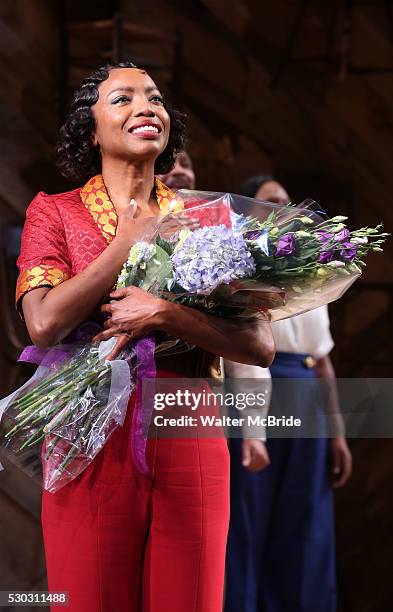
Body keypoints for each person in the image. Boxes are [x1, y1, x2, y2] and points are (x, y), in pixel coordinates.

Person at [15, 64, 275, 612]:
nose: (145, 107)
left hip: (189, 421)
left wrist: (164, 313)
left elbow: (260, 346)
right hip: (85, 430)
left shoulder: (211, 219)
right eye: (123, 98)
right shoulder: (54, 212)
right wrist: (125, 245)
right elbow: (42, 323)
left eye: (155, 98)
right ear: (91, 130)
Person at [225, 176, 353, 612]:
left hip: (306, 395)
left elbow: (324, 360)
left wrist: (337, 434)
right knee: (248, 514)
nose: (284, 208)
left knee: (304, 518)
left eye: (286, 201)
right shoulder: (235, 265)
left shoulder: (314, 275)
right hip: (260, 387)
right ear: (247, 211)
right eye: (270, 202)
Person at [159, 152, 271, 474]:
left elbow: (241, 329)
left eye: (186, 164)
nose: (179, 172)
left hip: (200, 396)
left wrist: (254, 432)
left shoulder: (220, 231)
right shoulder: (125, 221)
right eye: (167, 166)